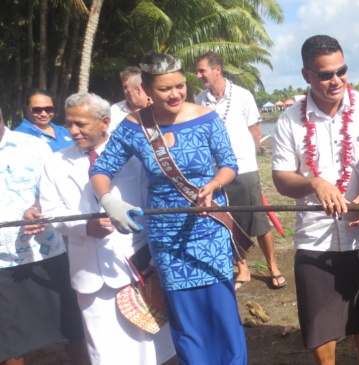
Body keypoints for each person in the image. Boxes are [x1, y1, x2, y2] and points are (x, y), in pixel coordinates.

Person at [90, 52, 247, 364]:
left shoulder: (206, 117)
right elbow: (100, 170)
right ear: (147, 88)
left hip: (209, 228)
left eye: (180, 86)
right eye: (165, 89)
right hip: (166, 236)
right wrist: (109, 201)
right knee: (186, 318)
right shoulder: (134, 127)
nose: (175, 94)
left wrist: (214, 184)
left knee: (222, 312)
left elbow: (229, 164)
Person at [271, 35, 359, 365]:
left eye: (341, 71)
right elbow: (281, 179)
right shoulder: (289, 120)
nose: (335, 80)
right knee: (320, 321)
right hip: (315, 237)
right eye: (325, 74)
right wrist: (314, 183)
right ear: (307, 74)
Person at [38, 92, 176, 364]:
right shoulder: (54, 163)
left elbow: (154, 206)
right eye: (69, 124)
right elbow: (51, 212)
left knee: (148, 343)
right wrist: (85, 227)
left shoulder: (134, 157)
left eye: (81, 124)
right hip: (89, 272)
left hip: (136, 266)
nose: (73, 131)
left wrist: (157, 257)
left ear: (104, 122)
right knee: (102, 349)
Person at [0, 108, 87, 365]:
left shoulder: (33, 146)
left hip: (44, 250)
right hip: (2, 262)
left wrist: (37, 208)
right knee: (9, 339)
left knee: (70, 326)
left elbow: (50, 190)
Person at [195, 51, 285, 290]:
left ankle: (273, 267)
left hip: (244, 167)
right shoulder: (199, 100)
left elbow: (255, 132)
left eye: (202, 70)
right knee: (228, 220)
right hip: (216, 173)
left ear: (217, 69)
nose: (198, 75)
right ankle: (242, 268)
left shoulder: (242, 96)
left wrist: (249, 161)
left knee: (259, 218)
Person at [109, 66, 150, 132]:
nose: (126, 91)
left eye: (127, 87)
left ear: (139, 88)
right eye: (124, 87)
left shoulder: (156, 107)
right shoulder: (115, 111)